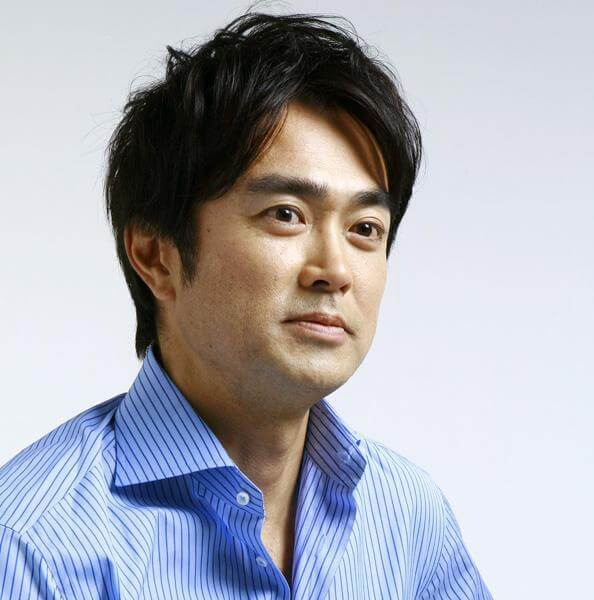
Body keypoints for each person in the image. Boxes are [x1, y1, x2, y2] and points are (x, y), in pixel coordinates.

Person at [0, 9, 493, 599]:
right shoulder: (33, 545)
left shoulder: (409, 519)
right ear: (156, 256)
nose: (335, 271)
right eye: (286, 215)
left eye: (365, 228)